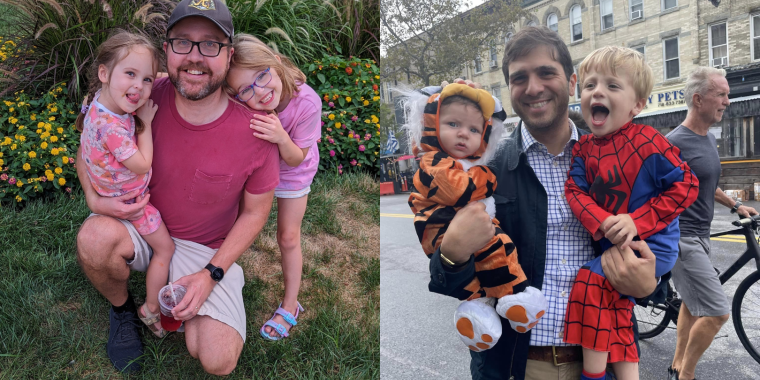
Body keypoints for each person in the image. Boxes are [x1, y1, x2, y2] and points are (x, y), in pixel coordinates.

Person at [426, 26, 658, 380]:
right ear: (510, 89)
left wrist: (649, 286)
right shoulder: (483, 168)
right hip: (518, 363)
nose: (533, 88)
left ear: (571, 82)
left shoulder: (621, 159)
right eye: (520, 78)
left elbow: (656, 240)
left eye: (546, 73)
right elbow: (449, 280)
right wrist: (452, 253)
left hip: (605, 356)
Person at [75, 0, 279, 375]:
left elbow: (256, 213)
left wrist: (211, 274)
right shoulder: (142, 94)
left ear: (229, 56)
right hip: (140, 223)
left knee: (218, 359)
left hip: (204, 250)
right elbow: (88, 145)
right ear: (166, 49)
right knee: (94, 239)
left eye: (211, 44)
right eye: (183, 42)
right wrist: (92, 197)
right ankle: (123, 311)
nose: (195, 57)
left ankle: (194, 288)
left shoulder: (257, 131)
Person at [563, 46, 698, 380]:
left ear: (637, 105)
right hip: (614, 245)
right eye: (590, 84)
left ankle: (593, 375)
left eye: (612, 85)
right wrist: (604, 221)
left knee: (590, 282)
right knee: (617, 309)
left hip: (652, 246)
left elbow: (687, 185)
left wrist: (636, 221)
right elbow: (574, 191)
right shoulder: (582, 149)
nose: (597, 91)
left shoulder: (648, 141)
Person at [403, 83, 548, 352]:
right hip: (442, 228)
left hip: (475, 228)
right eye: (453, 123)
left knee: (498, 252)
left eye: (473, 129)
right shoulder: (433, 161)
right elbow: (458, 190)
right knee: (487, 256)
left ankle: (502, 300)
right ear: (431, 124)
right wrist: (487, 178)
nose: (462, 134)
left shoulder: (467, 162)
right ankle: (492, 303)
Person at [76, 31, 176, 339]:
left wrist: (152, 72)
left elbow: (81, 144)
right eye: (130, 74)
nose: (139, 86)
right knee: (165, 249)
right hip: (133, 205)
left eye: (147, 79)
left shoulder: (97, 103)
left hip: (109, 192)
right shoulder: (114, 129)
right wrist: (144, 122)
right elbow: (143, 164)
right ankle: (150, 309)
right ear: (104, 73)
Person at [224, 33, 321, 341]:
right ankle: (220, 280)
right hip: (256, 170)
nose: (260, 92)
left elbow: (296, 158)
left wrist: (280, 136)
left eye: (263, 75)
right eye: (246, 90)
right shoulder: (240, 103)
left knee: (288, 237)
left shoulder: (307, 102)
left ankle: (290, 304)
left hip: (294, 170)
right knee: (234, 223)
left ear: (276, 63)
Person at [666, 67, 758, 380]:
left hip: (701, 237)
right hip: (682, 240)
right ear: (698, 99)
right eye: (721, 94)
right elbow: (649, 191)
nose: (728, 101)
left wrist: (736, 204)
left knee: (692, 305)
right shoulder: (673, 143)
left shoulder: (705, 139)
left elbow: (705, 184)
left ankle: (678, 360)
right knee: (718, 312)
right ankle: (687, 375)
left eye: (727, 95)